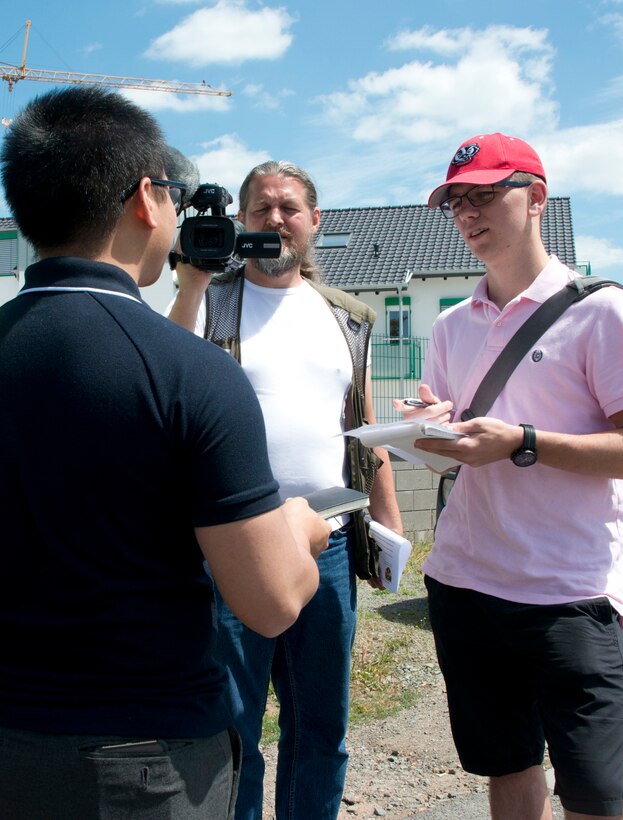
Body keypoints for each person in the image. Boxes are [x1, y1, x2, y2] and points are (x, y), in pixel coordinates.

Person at [0, 86, 331, 820]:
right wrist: (299, 528)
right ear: (146, 198)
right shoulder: (194, 373)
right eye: (172, 195)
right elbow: (268, 604)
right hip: (149, 759)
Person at [402, 132, 623, 820]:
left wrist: (522, 441)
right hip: (467, 581)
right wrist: (429, 426)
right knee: (509, 771)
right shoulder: (453, 326)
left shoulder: (603, 310)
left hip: (571, 593)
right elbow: (456, 432)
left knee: (595, 799)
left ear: (537, 197)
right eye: (457, 201)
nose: (468, 213)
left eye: (487, 194)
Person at [167, 160, 404, 820]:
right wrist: (191, 283)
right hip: (233, 541)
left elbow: (361, 426)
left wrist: (387, 530)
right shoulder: (212, 299)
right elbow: (166, 371)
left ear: (314, 221)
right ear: (241, 220)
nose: (276, 219)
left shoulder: (348, 317)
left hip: (327, 544)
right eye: (262, 208)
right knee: (234, 728)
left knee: (321, 730)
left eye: (290, 208)